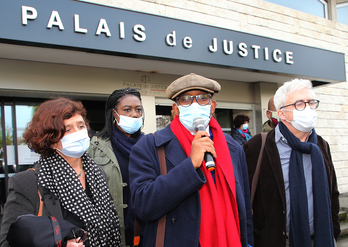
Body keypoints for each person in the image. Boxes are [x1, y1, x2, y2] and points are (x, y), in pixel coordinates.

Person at [129, 73, 254, 247]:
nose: (195, 104)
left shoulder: (233, 148)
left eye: (203, 98)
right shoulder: (150, 146)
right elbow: (143, 205)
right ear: (176, 108)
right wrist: (190, 165)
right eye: (186, 99)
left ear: (212, 106)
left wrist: (248, 242)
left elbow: (244, 208)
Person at [0, 98, 121, 247]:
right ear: (50, 139)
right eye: (68, 130)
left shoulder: (97, 173)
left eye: (81, 126)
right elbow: (8, 241)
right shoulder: (28, 182)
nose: (78, 133)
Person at [244, 79, 340, 247]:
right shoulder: (257, 146)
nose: (308, 108)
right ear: (281, 113)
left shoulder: (321, 145)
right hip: (277, 241)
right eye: (300, 104)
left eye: (311, 102)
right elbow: (244, 197)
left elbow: (332, 192)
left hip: (319, 239)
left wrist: (333, 230)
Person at [88, 88, 144, 247]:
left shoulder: (151, 144)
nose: (134, 114)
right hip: (111, 232)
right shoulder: (96, 146)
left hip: (146, 228)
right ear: (114, 113)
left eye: (138, 109)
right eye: (127, 110)